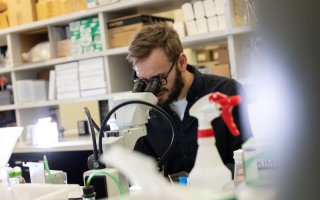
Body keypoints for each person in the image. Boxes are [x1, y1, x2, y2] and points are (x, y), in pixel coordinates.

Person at [126, 23, 252, 177]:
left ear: (181, 62)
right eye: (143, 81)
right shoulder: (144, 108)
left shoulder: (227, 92)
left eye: (158, 79)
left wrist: (203, 180)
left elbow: (248, 160)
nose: (153, 89)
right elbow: (143, 172)